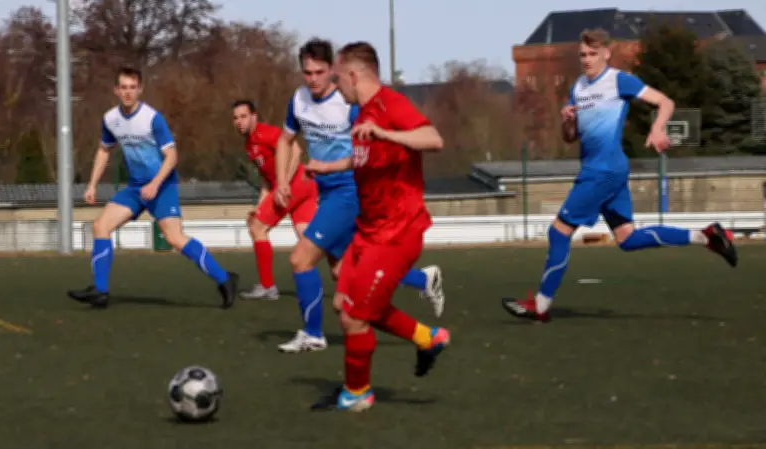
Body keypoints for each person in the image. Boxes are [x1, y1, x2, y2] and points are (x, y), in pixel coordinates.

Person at [501, 29, 738, 323]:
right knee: (627, 238)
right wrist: (568, 122)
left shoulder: (619, 80)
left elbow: (665, 102)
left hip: (602, 172)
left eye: (592, 54)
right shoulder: (578, 87)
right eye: (582, 55)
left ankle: (541, 304)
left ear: (606, 54)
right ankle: (706, 237)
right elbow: (570, 137)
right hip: (603, 170)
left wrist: (657, 128)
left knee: (558, 231)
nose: (586, 60)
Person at [272, 38, 445, 354]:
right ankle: (424, 302)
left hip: (350, 192)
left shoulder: (352, 104)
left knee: (301, 259)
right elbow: (285, 140)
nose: (313, 79)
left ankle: (313, 335)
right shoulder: (298, 101)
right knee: (344, 278)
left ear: (334, 71)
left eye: (321, 72)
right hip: (328, 190)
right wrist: (283, 180)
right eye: (306, 72)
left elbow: (379, 146)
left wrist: (381, 139)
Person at [303, 41, 450, 412]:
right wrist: (328, 167)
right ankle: (427, 338)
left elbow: (433, 139)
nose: (336, 86)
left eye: (337, 77)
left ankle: (357, 394)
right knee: (344, 304)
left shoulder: (390, 104)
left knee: (355, 316)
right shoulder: (363, 114)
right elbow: (364, 160)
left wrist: (388, 134)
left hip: (396, 232)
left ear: (353, 75)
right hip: (368, 230)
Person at [67, 65, 238, 309]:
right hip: (136, 187)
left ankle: (225, 279)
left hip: (163, 185)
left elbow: (172, 156)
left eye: (132, 88)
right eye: (123, 88)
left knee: (175, 238)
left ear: (140, 90)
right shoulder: (110, 119)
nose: (128, 93)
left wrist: (156, 184)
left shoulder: (152, 119)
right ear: (116, 90)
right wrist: (92, 184)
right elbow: (104, 149)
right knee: (100, 226)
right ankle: (100, 291)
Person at [231, 100, 318, 300]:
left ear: (254, 116)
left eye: (244, 116)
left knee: (257, 228)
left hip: (295, 184)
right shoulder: (249, 144)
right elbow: (266, 180)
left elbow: (296, 150)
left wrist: (284, 183)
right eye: (235, 118)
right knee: (309, 240)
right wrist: (260, 205)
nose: (239, 122)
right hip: (306, 186)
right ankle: (354, 271)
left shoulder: (266, 133)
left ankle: (267, 286)